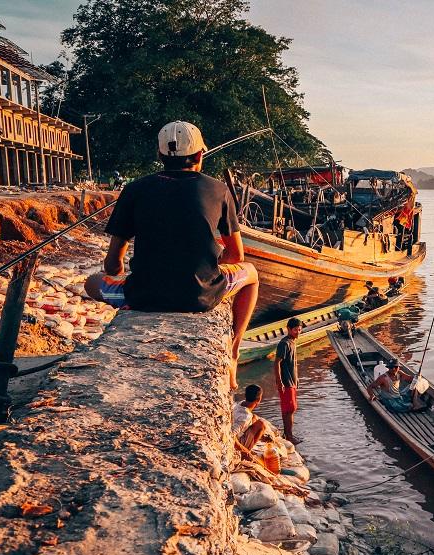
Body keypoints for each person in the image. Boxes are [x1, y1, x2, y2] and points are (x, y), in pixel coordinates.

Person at [84, 121, 258, 391]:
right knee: (253, 274)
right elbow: (237, 255)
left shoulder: (134, 190)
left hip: (141, 297)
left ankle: (127, 306)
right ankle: (233, 351)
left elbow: (112, 264)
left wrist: (117, 271)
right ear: (200, 155)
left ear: (159, 156)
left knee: (91, 283)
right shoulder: (219, 190)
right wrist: (208, 265)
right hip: (202, 297)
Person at [274, 317, 303, 444]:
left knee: (288, 409)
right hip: (286, 382)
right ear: (289, 329)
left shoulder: (292, 342)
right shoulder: (284, 343)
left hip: (292, 381)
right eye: (296, 330)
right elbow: (276, 363)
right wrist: (279, 382)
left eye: (300, 329)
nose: (298, 332)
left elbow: (293, 364)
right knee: (290, 409)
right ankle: (289, 436)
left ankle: (287, 434)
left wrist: (297, 379)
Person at [232, 383, 267, 452]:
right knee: (261, 425)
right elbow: (231, 435)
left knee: (254, 417)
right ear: (259, 399)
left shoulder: (241, 403)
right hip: (235, 444)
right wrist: (245, 452)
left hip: (240, 427)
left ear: (245, 396)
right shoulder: (245, 417)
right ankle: (248, 448)